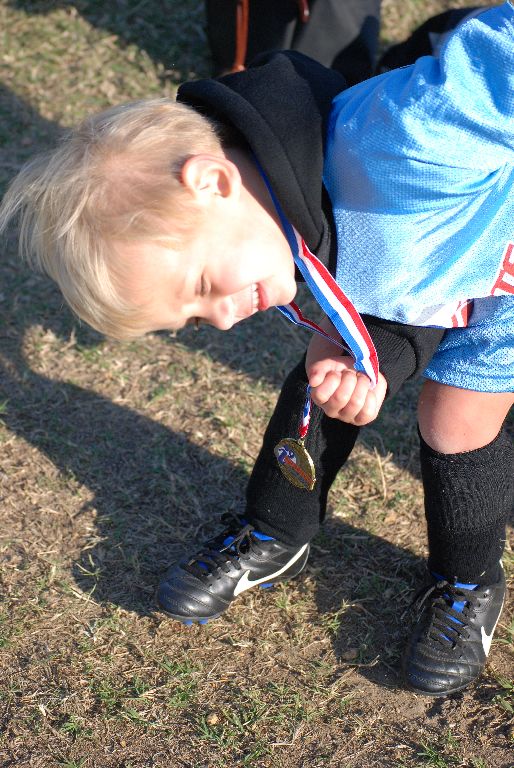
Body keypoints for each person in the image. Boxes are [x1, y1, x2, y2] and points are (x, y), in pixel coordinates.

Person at [0, 3, 512, 698]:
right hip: (422, 277)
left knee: (454, 421)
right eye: (195, 318)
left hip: (501, 276)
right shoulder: (282, 218)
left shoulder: (403, 139)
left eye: (202, 288)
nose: (221, 320)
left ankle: (468, 581)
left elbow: (496, 54)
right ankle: (274, 528)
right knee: (326, 376)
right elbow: (378, 289)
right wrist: (360, 352)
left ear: (213, 182)